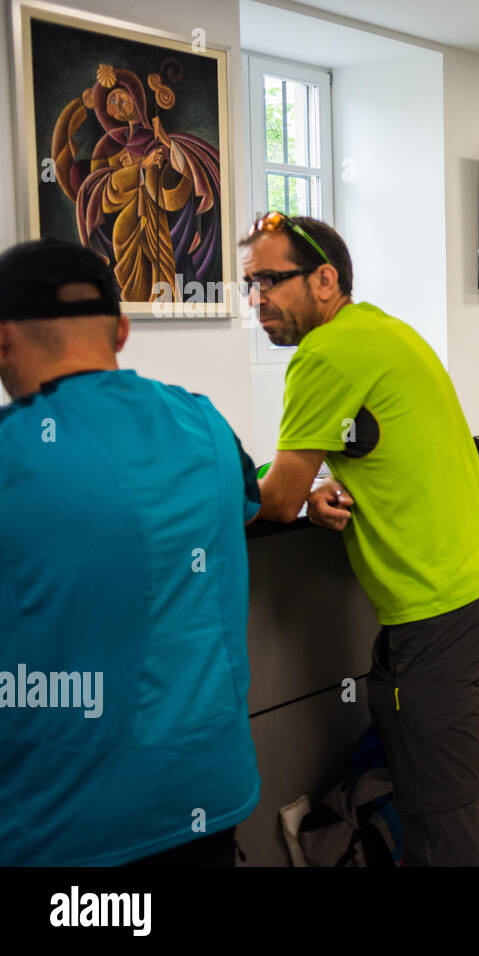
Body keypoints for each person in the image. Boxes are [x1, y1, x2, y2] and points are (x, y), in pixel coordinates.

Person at [245, 213, 479, 867]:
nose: (257, 299)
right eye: (250, 284)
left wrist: (244, 480)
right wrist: (320, 483)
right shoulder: (383, 330)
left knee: (442, 819)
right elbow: (375, 447)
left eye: (272, 280)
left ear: (324, 279)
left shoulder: (323, 354)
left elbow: (273, 499)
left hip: (435, 612)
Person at [0, 239, 260, 866]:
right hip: (205, 798)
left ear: (3, 338)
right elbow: (248, 502)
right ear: (120, 329)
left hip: (62, 826)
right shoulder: (208, 425)